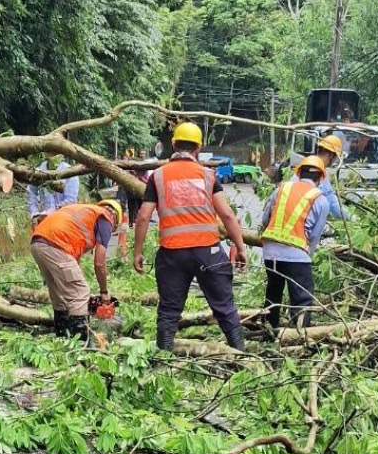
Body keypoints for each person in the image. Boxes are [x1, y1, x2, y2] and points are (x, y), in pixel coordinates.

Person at [132, 122, 249, 352]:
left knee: (168, 310)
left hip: (172, 254)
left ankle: (163, 362)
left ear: (174, 144)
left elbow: (144, 217)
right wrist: (240, 246)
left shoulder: (158, 176)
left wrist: (137, 252)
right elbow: (226, 214)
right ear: (198, 148)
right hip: (209, 252)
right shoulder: (207, 175)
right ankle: (241, 356)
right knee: (225, 307)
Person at [30, 199, 123, 339]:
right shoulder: (105, 217)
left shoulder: (84, 212)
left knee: (59, 295)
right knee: (80, 294)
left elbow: (72, 264)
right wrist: (104, 292)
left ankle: (62, 337)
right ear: (116, 219)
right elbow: (99, 263)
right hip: (56, 244)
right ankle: (80, 344)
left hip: (38, 243)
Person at [259, 159, 330, 331]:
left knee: (273, 293)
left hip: (270, 254)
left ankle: (268, 332)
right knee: (302, 300)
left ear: (298, 173)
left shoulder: (281, 189)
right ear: (320, 178)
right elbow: (314, 236)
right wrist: (308, 257)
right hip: (297, 257)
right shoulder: (320, 200)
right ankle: (299, 338)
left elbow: (264, 219)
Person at [27, 156, 79, 229]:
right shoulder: (38, 172)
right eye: (51, 152)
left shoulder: (70, 172)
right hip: (42, 221)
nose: (54, 155)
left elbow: (70, 200)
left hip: (64, 220)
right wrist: (34, 214)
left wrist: (50, 214)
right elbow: (31, 193)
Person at [314, 134, 345, 219]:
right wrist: (350, 217)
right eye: (335, 157)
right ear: (331, 155)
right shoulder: (320, 171)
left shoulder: (306, 164)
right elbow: (331, 203)